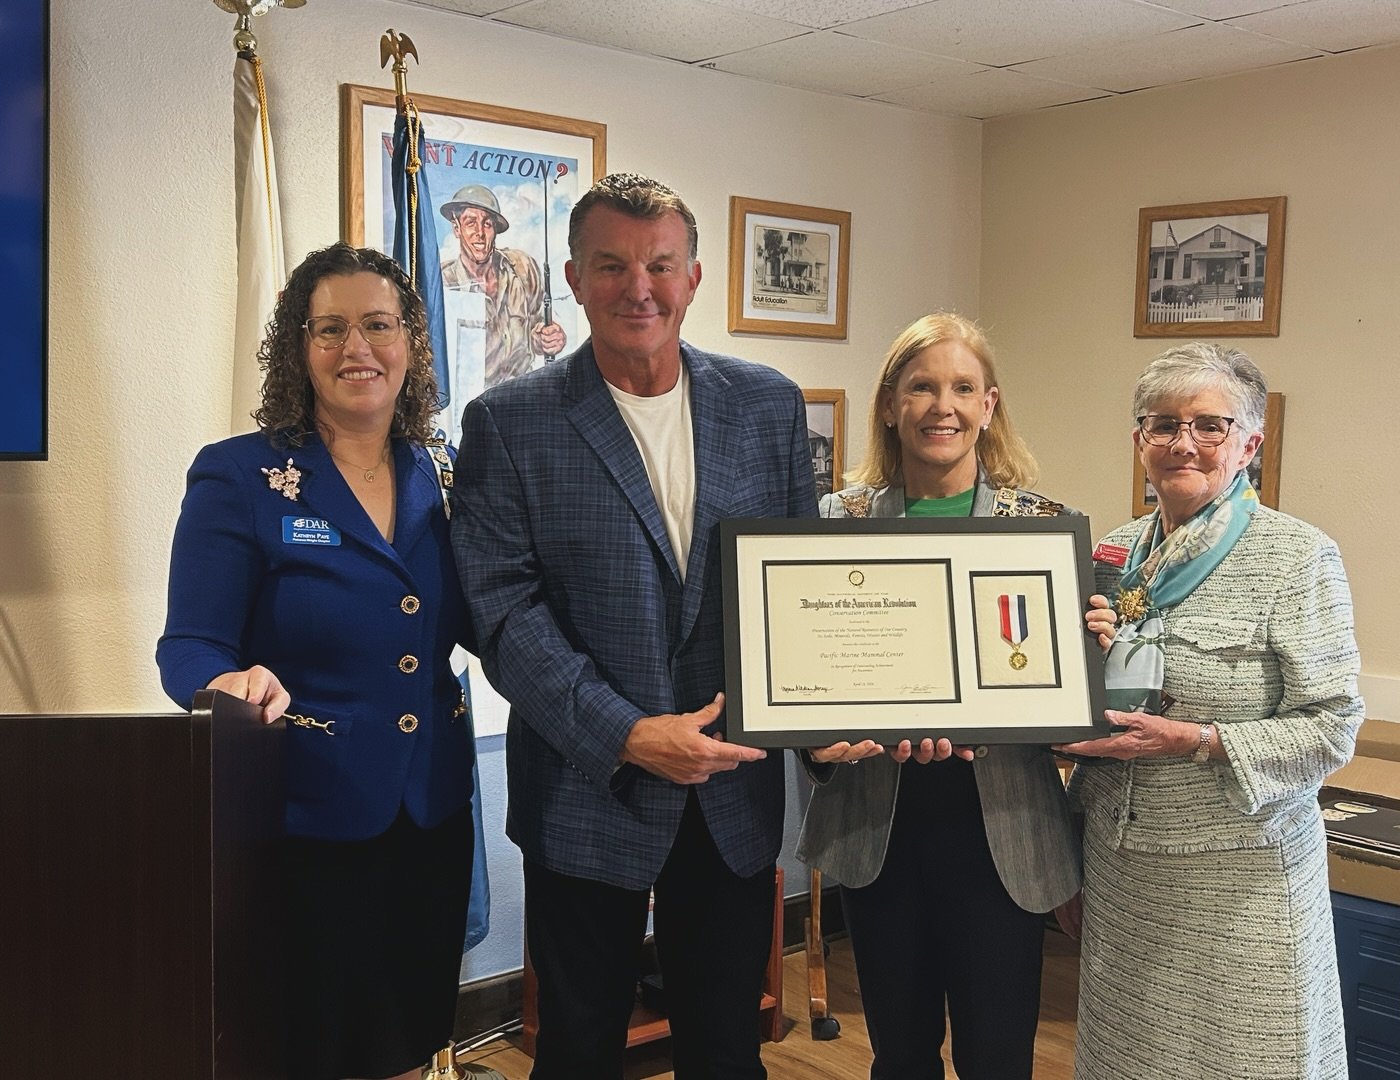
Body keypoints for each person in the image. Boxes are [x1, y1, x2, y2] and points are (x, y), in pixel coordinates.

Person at [451, 173, 825, 1080]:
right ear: (574, 279)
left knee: (729, 1045)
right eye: (612, 265)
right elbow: (500, 611)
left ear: (694, 277)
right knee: (577, 1046)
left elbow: (802, 584)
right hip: (589, 786)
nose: (639, 287)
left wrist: (827, 716)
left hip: (733, 787)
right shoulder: (509, 422)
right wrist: (626, 733)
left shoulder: (767, 404)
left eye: (660, 264)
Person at [157, 243, 481, 1080]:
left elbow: (493, 615)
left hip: (432, 808)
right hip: (308, 817)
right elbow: (190, 643)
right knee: (320, 1046)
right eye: (329, 329)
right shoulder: (241, 474)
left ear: (410, 340)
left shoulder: (446, 472)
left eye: (377, 325)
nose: (356, 349)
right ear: (298, 349)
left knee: (411, 1037)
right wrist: (222, 682)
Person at [796, 312, 1106, 1080]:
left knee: (998, 1057)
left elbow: (1069, 708)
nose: (944, 406)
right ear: (891, 404)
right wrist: (811, 736)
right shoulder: (837, 522)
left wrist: (1092, 655)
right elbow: (806, 673)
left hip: (1000, 834)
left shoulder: (1044, 530)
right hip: (880, 827)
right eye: (923, 387)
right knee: (899, 1055)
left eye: (964, 388)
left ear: (990, 404)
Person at [1058, 343, 1363, 1080]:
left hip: (1242, 883)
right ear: (1139, 442)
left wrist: (1193, 740)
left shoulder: (1297, 557)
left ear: (1250, 443)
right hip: (1124, 874)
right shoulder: (1109, 552)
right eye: (1163, 425)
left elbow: (1332, 726)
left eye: (1209, 425)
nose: (1182, 443)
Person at [440, 183, 566, 384]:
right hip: (470, 400)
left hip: (522, 395)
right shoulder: (442, 283)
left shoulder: (523, 269)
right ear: (457, 229)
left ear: (496, 230)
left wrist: (548, 337)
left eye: (487, 224)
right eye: (471, 223)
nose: (480, 233)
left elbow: (539, 323)